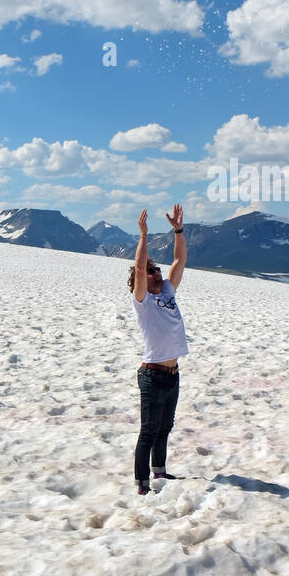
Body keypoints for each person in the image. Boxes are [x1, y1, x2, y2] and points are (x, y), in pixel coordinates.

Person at [127, 204, 188, 496]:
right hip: (152, 375)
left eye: (158, 270)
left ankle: (159, 471)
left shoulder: (167, 292)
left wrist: (178, 230)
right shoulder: (143, 301)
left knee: (165, 428)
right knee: (148, 431)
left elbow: (180, 259)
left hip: (172, 374)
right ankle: (142, 484)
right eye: (153, 272)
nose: (158, 273)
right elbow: (139, 268)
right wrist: (143, 236)